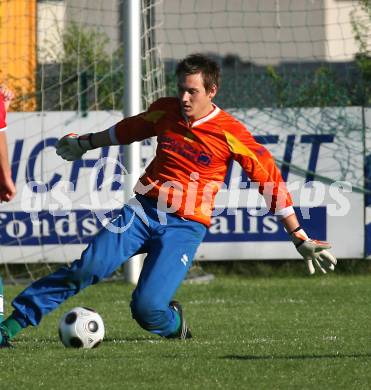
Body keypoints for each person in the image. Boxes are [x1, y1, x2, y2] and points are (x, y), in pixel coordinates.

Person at [0, 54, 336, 348]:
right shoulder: (166, 111)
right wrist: (85, 143)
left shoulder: (230, 132)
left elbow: (269, 181)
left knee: (147, 310)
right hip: (142, 210)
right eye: (182, 89)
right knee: (88, 267)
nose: (185, 97)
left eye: (193, 91)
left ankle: (175, 326)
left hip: (186, 227)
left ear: (212, 91)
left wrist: (298, 236)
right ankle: (10, 327)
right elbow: (129, 129)